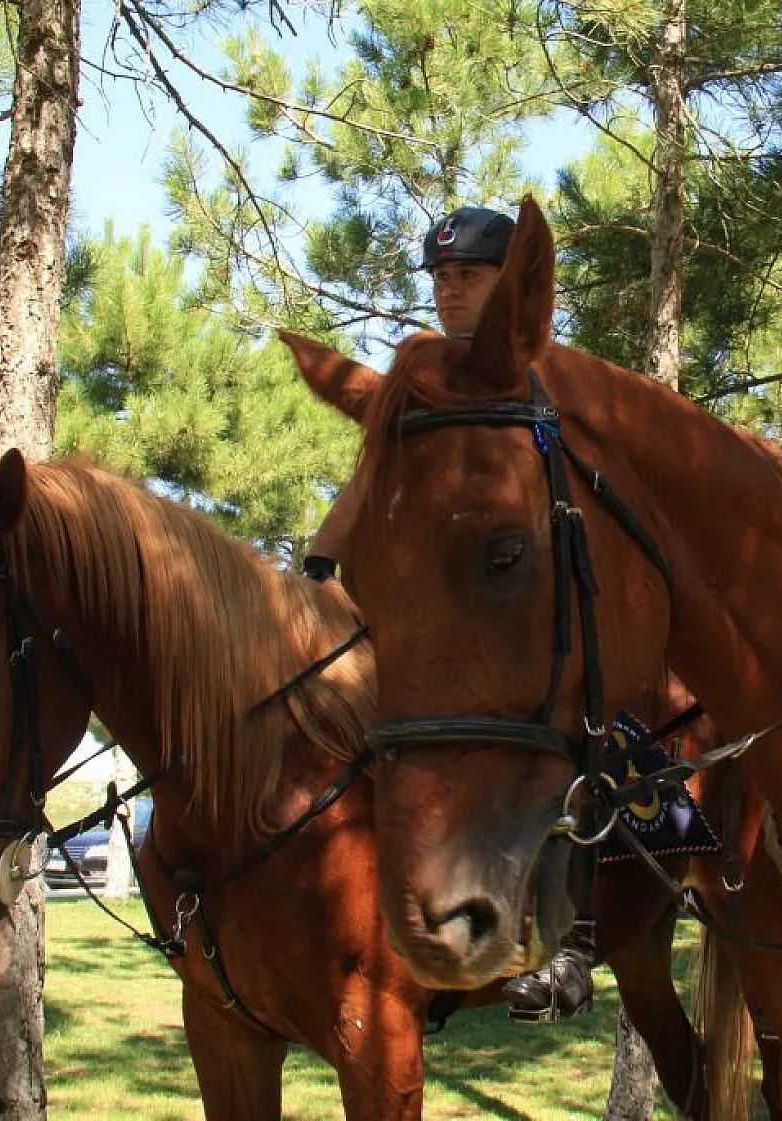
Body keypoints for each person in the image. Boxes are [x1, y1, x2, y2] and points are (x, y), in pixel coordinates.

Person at [301, 206, 600, 1023]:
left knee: (596, 732)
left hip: (546, 598)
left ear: (512, 282)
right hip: (449, 612)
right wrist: (326, 560)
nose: (451, 288)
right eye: (440, 275)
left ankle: (579, 934)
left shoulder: (551, 377)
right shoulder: (420, 379)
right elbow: (376, 486)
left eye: (469, 272)